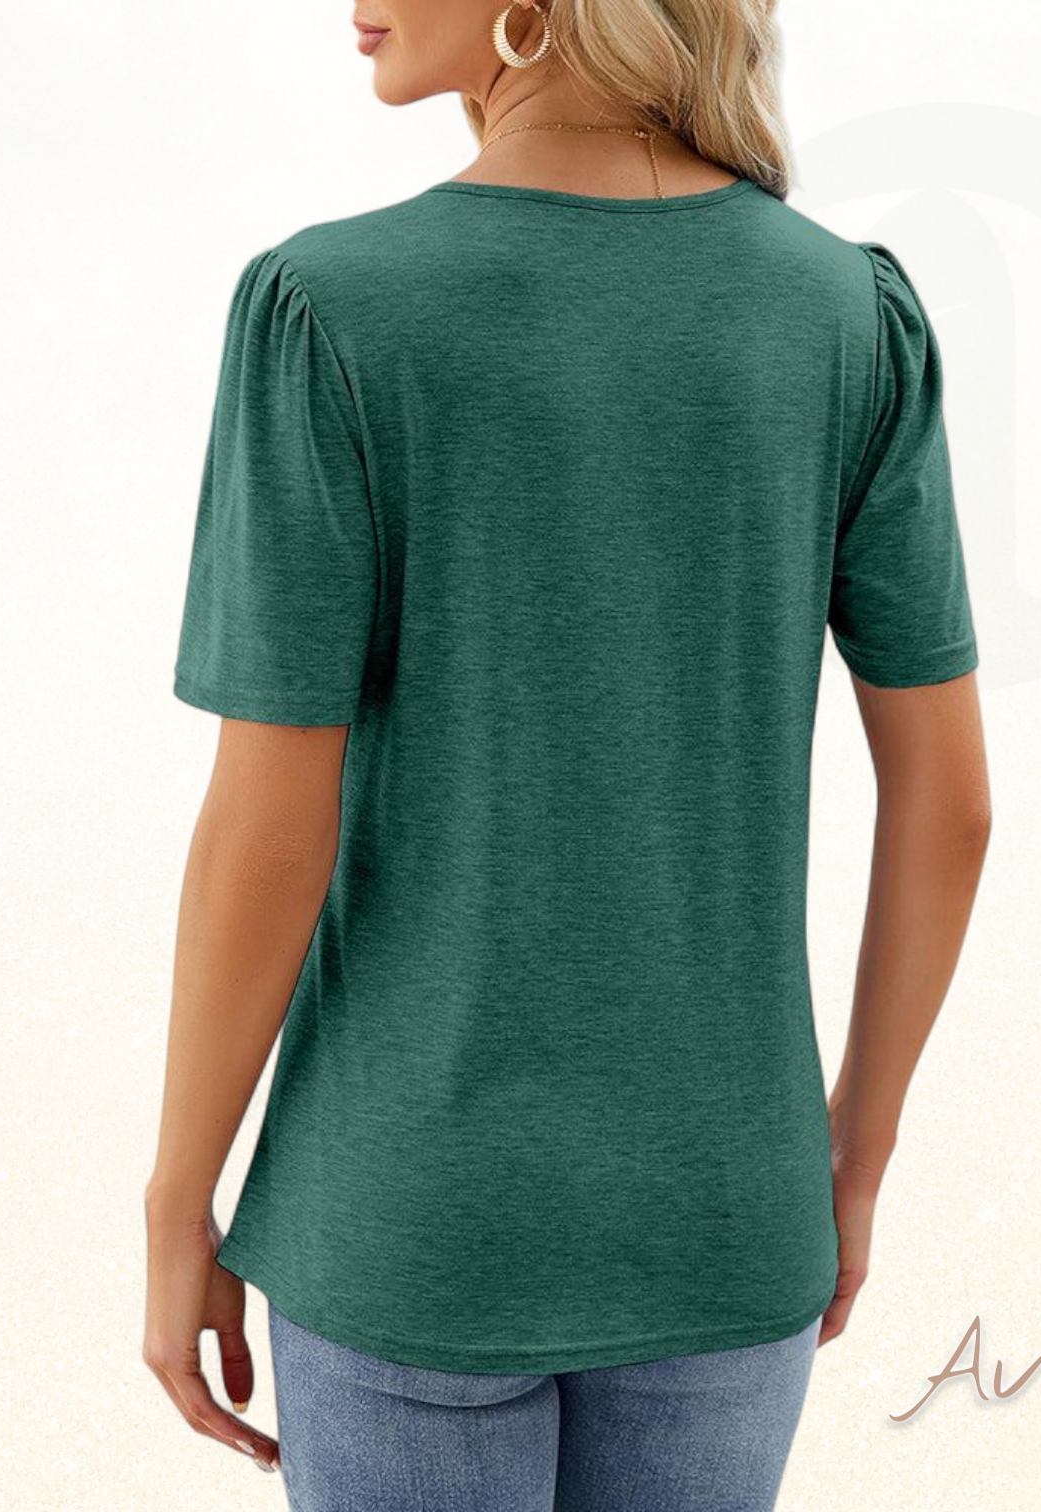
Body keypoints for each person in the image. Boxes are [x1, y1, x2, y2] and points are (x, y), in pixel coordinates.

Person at [143, 0, 992, 1506]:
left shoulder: (330, 310)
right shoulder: (849, 316)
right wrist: (850, 1159)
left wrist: (175, 1205)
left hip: (407, 1221)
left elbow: (268, 832)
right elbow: (952, 804)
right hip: (730, 1218)